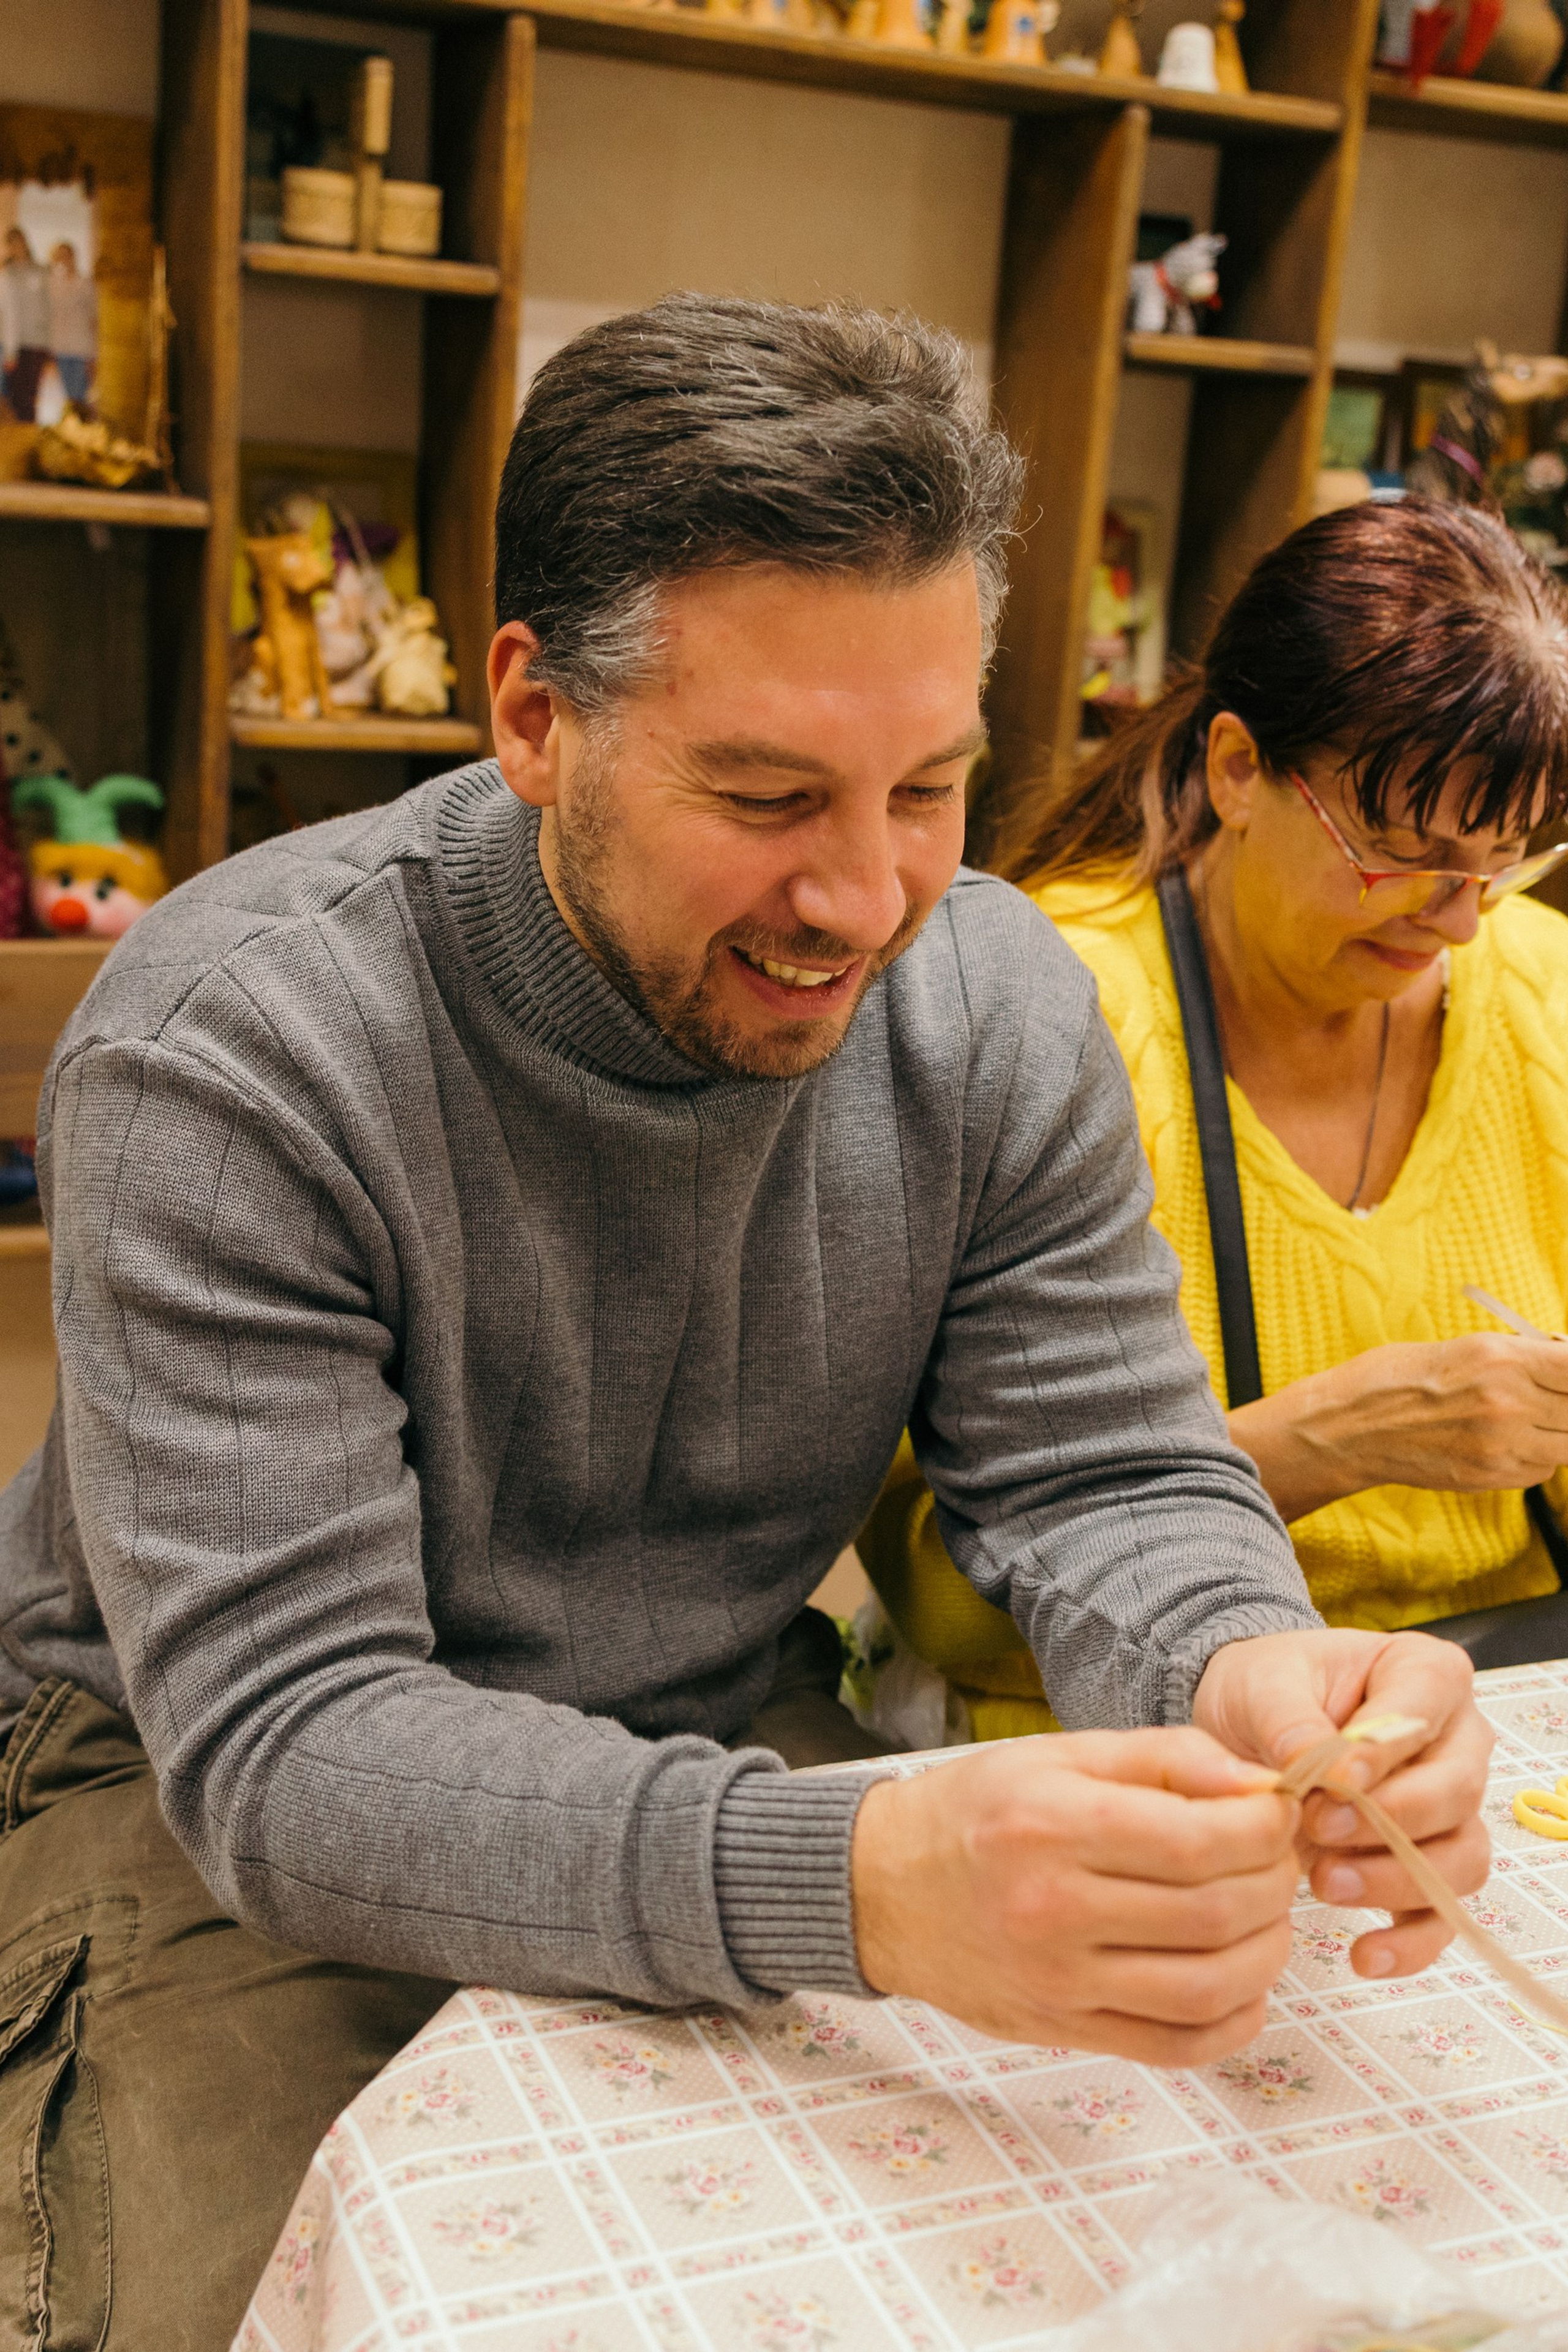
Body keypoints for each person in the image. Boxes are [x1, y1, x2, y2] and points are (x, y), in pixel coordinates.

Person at [0, 301, 1488, 2348]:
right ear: (535, 715)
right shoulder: (235, 1046)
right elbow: (293, 1742)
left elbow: (1107, 1470)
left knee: (1069, 2242)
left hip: (712, 1709)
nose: (867, 899)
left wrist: (1250, 1661)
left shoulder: (995, 1003)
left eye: (932, 787)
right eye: (771, 794)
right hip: (201, 1794)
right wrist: (866, 1880)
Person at [862, 496, 1568, 1736]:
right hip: (1117, 1733)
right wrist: (1331, 1441)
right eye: (1402, 853)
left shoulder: (1542, 994)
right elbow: (942, 1588)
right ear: (1238, 770)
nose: (1459, 922)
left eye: (1498, 862)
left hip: (1503, 1697)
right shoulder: (1048, 1018)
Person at [0, 226, 50, 423]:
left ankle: (29, 432)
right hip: (13, 342)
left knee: (30, 394)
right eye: (11, 244)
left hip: (36, 340)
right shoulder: (7, 274)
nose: (16, 247)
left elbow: (49, 306)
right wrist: (10, 349)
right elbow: (9, 314)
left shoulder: (41, 272)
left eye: (18, 242)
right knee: (15, 396)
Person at [47, 240, 97, 412]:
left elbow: (93, 316)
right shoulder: (53, 284)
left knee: (80, 394)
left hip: (82, 346)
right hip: (61, 346)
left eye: (66, 256)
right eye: (60, 257)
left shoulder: (85, 283)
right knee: (69, 394)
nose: (64, 261)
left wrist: (94, 351)